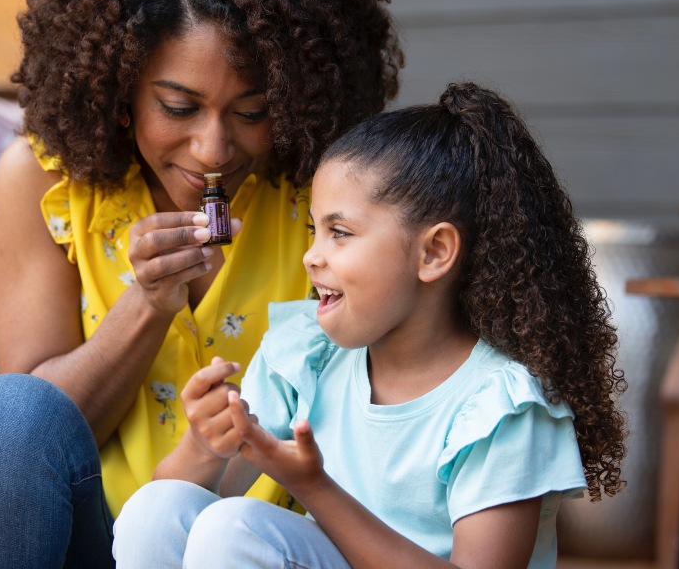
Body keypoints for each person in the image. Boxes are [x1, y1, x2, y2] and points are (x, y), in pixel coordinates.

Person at [0, 0, 402, 569]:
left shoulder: (327, 184)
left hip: (266, 549)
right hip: (95, 543)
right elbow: (31, 439)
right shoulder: (45, 183)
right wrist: (144, 306)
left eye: (253, 112)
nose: (213, 149)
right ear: (118, 88)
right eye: (178, 107)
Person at [113, 82, 628, 569]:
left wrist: (316, 488)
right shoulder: (306, 358)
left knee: (237, 529)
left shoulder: (500, 407)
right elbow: (186, 512)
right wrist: (205, 446)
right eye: (314, 231)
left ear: (434, 252)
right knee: (157, 506)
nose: (312, 257)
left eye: (340, 232)